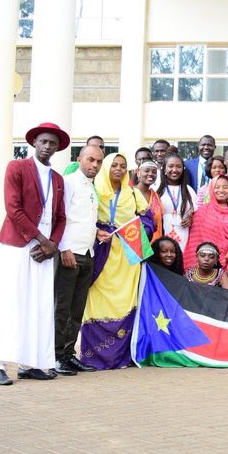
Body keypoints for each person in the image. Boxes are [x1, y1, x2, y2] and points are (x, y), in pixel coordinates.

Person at [0, 123, 70, 386]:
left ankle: (29, 364)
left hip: (43, 252)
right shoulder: (17, 168)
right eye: (43, 141)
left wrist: (52, 244)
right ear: (34, 142)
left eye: (52, 143)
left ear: (57, 148)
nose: (47, 146)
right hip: (17, 245)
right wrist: (43, 240)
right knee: (9, 303)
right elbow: (13, 209)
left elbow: (61, 217)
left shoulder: (58, 179)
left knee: (39, 306)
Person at [79, 152, 154, 370]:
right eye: (114, 165)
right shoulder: (93, 190)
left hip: (127, 255)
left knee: (126, 300)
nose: (118, 169)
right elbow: (82, 218)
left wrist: (138, 229)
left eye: (122, 165)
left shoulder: (133, 194)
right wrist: (97, 231)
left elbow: (149, 221)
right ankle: (93, 357)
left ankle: (122, 357)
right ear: (106, 168)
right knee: (96, 300)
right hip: (101, 253)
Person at [53, 144, 103, 377]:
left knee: (77, 309)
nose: (95, 165)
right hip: (70, 252)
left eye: (98, 162)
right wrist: (64, 248)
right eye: (90, 159)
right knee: (62, 307)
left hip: (88, 253)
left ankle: (68, 354)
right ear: (79, 159)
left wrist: (97, 233)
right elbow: (60, 217)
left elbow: (84, 220)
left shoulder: (92, 187)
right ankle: (55, 356)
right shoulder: (68, 182)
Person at [185, 175, 228, 270]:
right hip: (205, 265)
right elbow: (195, 241)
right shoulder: (202, 212)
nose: (221, 190)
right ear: (211, 189)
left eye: (225, 187)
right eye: (217, 187)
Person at [158, 154, 197, 251]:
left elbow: (197, 212)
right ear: (164, 169)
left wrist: (190, 216)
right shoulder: (157, 190)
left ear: (183, 169)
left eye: (178, 166)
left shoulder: (189, 190)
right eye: (170, 166)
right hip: (162, 233)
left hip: (183, 233)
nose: (174, 170)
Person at [134, 161, 164, 242]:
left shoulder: (156, 196)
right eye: (146, 171)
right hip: (136, 241)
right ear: (138, 173)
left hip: (156, 242)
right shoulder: (130, 193)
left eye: (154, 172)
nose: (150, 174)